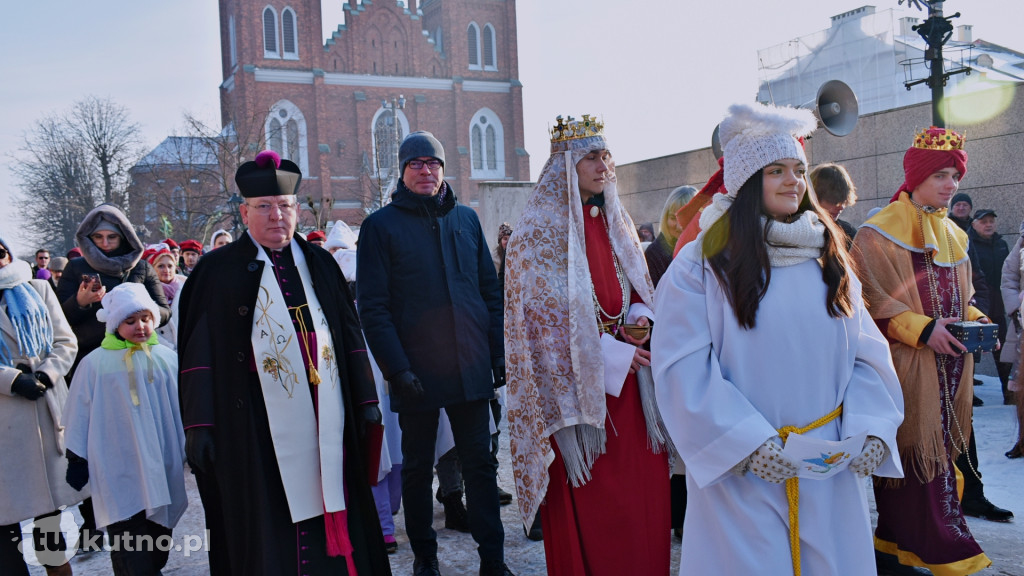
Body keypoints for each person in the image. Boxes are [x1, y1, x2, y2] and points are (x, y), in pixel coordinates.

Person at [650, 102, 904, 576]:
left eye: (799, 170)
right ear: (747, 181)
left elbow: (866, 353)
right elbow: (682, 366)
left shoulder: (830, 258)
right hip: (746, 476)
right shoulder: (700, 265)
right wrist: (742, 443)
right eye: (777, 171)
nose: (794, 181)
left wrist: (872, 424)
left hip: (827, 470)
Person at [177, 150, 390, 576]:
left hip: (326, 416)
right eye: (265, 207)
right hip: (253, 426)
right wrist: (199, 424)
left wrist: (366, 399)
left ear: (297, 210)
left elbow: (349, 336)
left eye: (286, 206)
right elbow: (197, 354)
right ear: (244, 212)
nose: (277, 216)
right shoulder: (216, 271)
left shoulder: (321, 264)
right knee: (266, 518)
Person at [504, 115, 670, 576]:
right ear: (566, 165)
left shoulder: (616, 222)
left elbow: (640, 288)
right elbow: (540, 327)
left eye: (606, 156)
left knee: (641, 504)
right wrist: (615, 354)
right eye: (592, 157)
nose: (604, 166)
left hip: (633, 397)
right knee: (599, 512)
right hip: (579, 403)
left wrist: (641, 319)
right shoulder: (535, 238)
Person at [357, 131, 511, 576]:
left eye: (433, 163)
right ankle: (425, 557)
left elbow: (489, 291)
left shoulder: (465, 220)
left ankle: (493, 560)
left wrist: (496, 354)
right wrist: (396, 368)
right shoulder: (380, 227)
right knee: (418, 469)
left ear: (443, 169)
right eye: (416, 164)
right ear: (403, 172)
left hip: (469, 367)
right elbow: (374, 307)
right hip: (416, 372)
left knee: (481, 468)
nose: (426, 171)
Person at [853, 126, 994, 575]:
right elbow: (868, 304)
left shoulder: (956, 235)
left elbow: (962, 299)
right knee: (913, 459)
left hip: (951, 367)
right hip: (904, 367)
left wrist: (976, 321)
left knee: (940, 458)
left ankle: (894, 546)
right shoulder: (876, 234)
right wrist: (923, 329)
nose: (951, 184)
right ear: (916, 176)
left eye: (955, 175)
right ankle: (945, 551)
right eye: (941, 175)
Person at [55, 203, 171, 551]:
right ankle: (95, 525)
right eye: (99, 237)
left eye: (112, 237)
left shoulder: (142, 266)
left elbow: (162, 307)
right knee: (101, 447)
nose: (106, 243)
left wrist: (137, 313)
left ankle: (151, 518)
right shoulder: (77, 268)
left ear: (125, 237)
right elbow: (60, 317)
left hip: (140, 360)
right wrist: (81, 301)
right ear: (89, 238)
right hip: (95, 363)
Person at [62, 283, 186, 576]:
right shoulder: (95, 364)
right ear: (116, 324)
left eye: (145, 319)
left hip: (161, 463)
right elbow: (79, 410)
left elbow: (183, 406)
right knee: (129, 542)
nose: (140, 327)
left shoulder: (167, 358)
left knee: (157, 541)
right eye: (130, 321)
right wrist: (76, 456)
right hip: (117, 465)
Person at [0, 236, 80, 576]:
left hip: (45, 412)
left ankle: (57, 570)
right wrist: (11, 380)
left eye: (0, 252)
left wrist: (46, 374)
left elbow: (65, 341)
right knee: (6, 515)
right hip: (6, 417)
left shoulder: (38, 288)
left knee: (48, 516)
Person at [969, 209, 1012, 402]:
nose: (988, 225)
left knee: (1003, 349)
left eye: (991, 221)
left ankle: (1009, 392)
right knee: (972, 352)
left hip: (998, 305)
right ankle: (968, 394)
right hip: (977, 305)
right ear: (974, 224)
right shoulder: (968, 244)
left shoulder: (1001, 244)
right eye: (983, 221)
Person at [1000, 219, 1024, 459]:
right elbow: (1008, 278)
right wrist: (1018, 307)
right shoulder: (1022, 244)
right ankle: (1023, 440)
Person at [645, 185, 696, 288]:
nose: (679, 226)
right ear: (665, 217)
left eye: (685, 218)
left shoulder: (707, 249)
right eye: (673, 218)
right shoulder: (653, 254)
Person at [809, 163, 858, 248]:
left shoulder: (848, 233)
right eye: (833, 201)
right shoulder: (797, 231)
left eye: (844, 201)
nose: (841, 207)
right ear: (815, 198)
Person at [146, 246, 186, 350]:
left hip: (185, 348)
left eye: (170, 266)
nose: (166, 270)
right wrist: (167, 347)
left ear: (175, 268)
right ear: (153, 268)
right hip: (159, 349)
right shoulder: (146, 293)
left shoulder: (187, 289)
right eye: (161, 266)